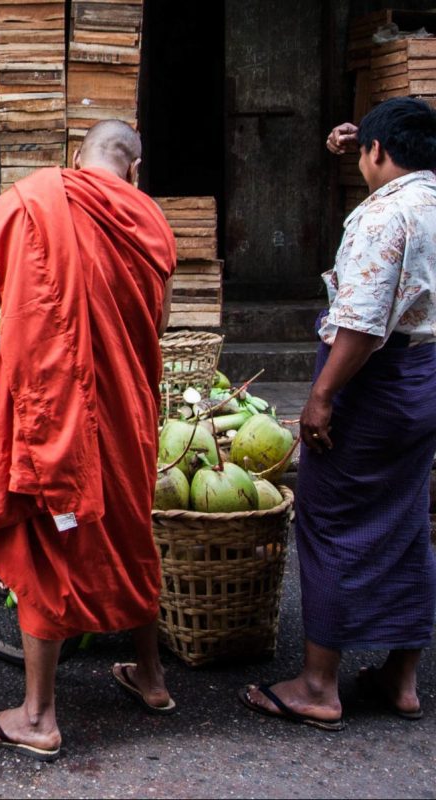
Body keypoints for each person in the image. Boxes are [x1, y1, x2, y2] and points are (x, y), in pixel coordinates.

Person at [0, 120, 178, 761]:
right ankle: (152, 677)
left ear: (76, 158)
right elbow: (157, 322)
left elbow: (16, 296)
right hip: (129, 409)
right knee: (131, 533)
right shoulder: (153, 223)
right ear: (134, 170)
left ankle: (38, 716)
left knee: (48, 546)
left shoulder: (45, 200)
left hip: (61, 408)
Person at [239, 96, 436, 729]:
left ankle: (318, 686)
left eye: (365, 153)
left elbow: (361, 320)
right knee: (407, 518)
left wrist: (320, 396)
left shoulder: (384, 217)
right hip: (425, 379)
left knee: (327, 520)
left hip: (376, 380)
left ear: (377, 152)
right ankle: (401, 681)